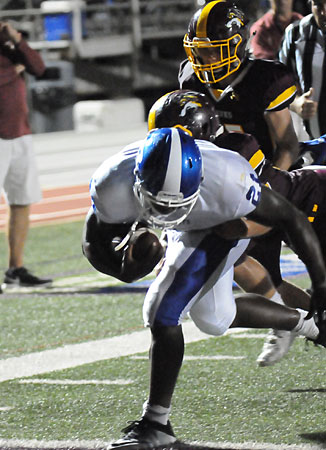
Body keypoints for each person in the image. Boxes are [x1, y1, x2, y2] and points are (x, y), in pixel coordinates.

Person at [82, 126, 326, 448]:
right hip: (196, 210)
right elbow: (93, 243)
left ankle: (156, 424)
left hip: (217, 225)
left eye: (174, 205)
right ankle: (306, 324)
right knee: (214, 318)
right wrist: (122, 270)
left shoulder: (229, 181)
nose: (168, 213)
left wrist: (320, 282)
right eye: (160, 205)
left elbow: (290, 218)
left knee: (162, 310)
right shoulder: (113, 182)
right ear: (138, 182)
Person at [148, 88, 326, 366]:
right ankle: (300, 322)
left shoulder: (233, 152)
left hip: (307, 204)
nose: (167, 144)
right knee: (249, 280)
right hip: (257, 221)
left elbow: (270, 217)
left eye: (175, 135)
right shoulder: (173, 159)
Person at [179, 0, 299, 171]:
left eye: (215, 50)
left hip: (269, 172)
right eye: (203, 50)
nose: (209, 58)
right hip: (223, 173)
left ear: (237, 45)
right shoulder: (192, 79)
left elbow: (288, 147)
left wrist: (267, 186)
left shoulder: (264, 80)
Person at [0, 21, 52, 288]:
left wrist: (18, 42)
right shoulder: (10, 59)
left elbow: (39, 67)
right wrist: (13, 68)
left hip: (19, 133)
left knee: (21, 201)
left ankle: (15, 269)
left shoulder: (11, 47)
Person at [278, 0, 326, 140]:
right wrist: (296, 103)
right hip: (316, 144)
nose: (324, 12)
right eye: (318, 4)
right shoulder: (295, 34)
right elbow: (277, 87)